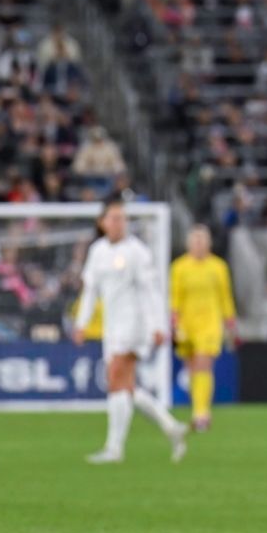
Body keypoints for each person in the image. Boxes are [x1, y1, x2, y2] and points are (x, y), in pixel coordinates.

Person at [74, 196, 189, 464]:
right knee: (124, 386)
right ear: (102, 223)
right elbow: (90, 291)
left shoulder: (137, 251)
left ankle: (114, 449)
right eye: (114, 218)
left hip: (135, 324)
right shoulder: (98, 251)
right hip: (112, 326)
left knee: (116, 376)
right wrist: (81, 323)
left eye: (122, 218)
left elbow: (151, 292)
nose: (119, 223)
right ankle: (171, 427)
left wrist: (158, 325)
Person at [170, 224, 237, 433]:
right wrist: (174, 322)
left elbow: (225, 297)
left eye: (202, 239)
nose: (199, 244)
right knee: (192, 367)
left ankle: (202, 413)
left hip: (210, 323)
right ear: (189, 243)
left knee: (203, 363)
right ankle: (198, 409)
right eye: (195, 239)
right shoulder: (179, 267)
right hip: (187, 324)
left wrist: (230, 323)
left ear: (208, 243)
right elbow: (175, 298)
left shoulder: (218, 267)